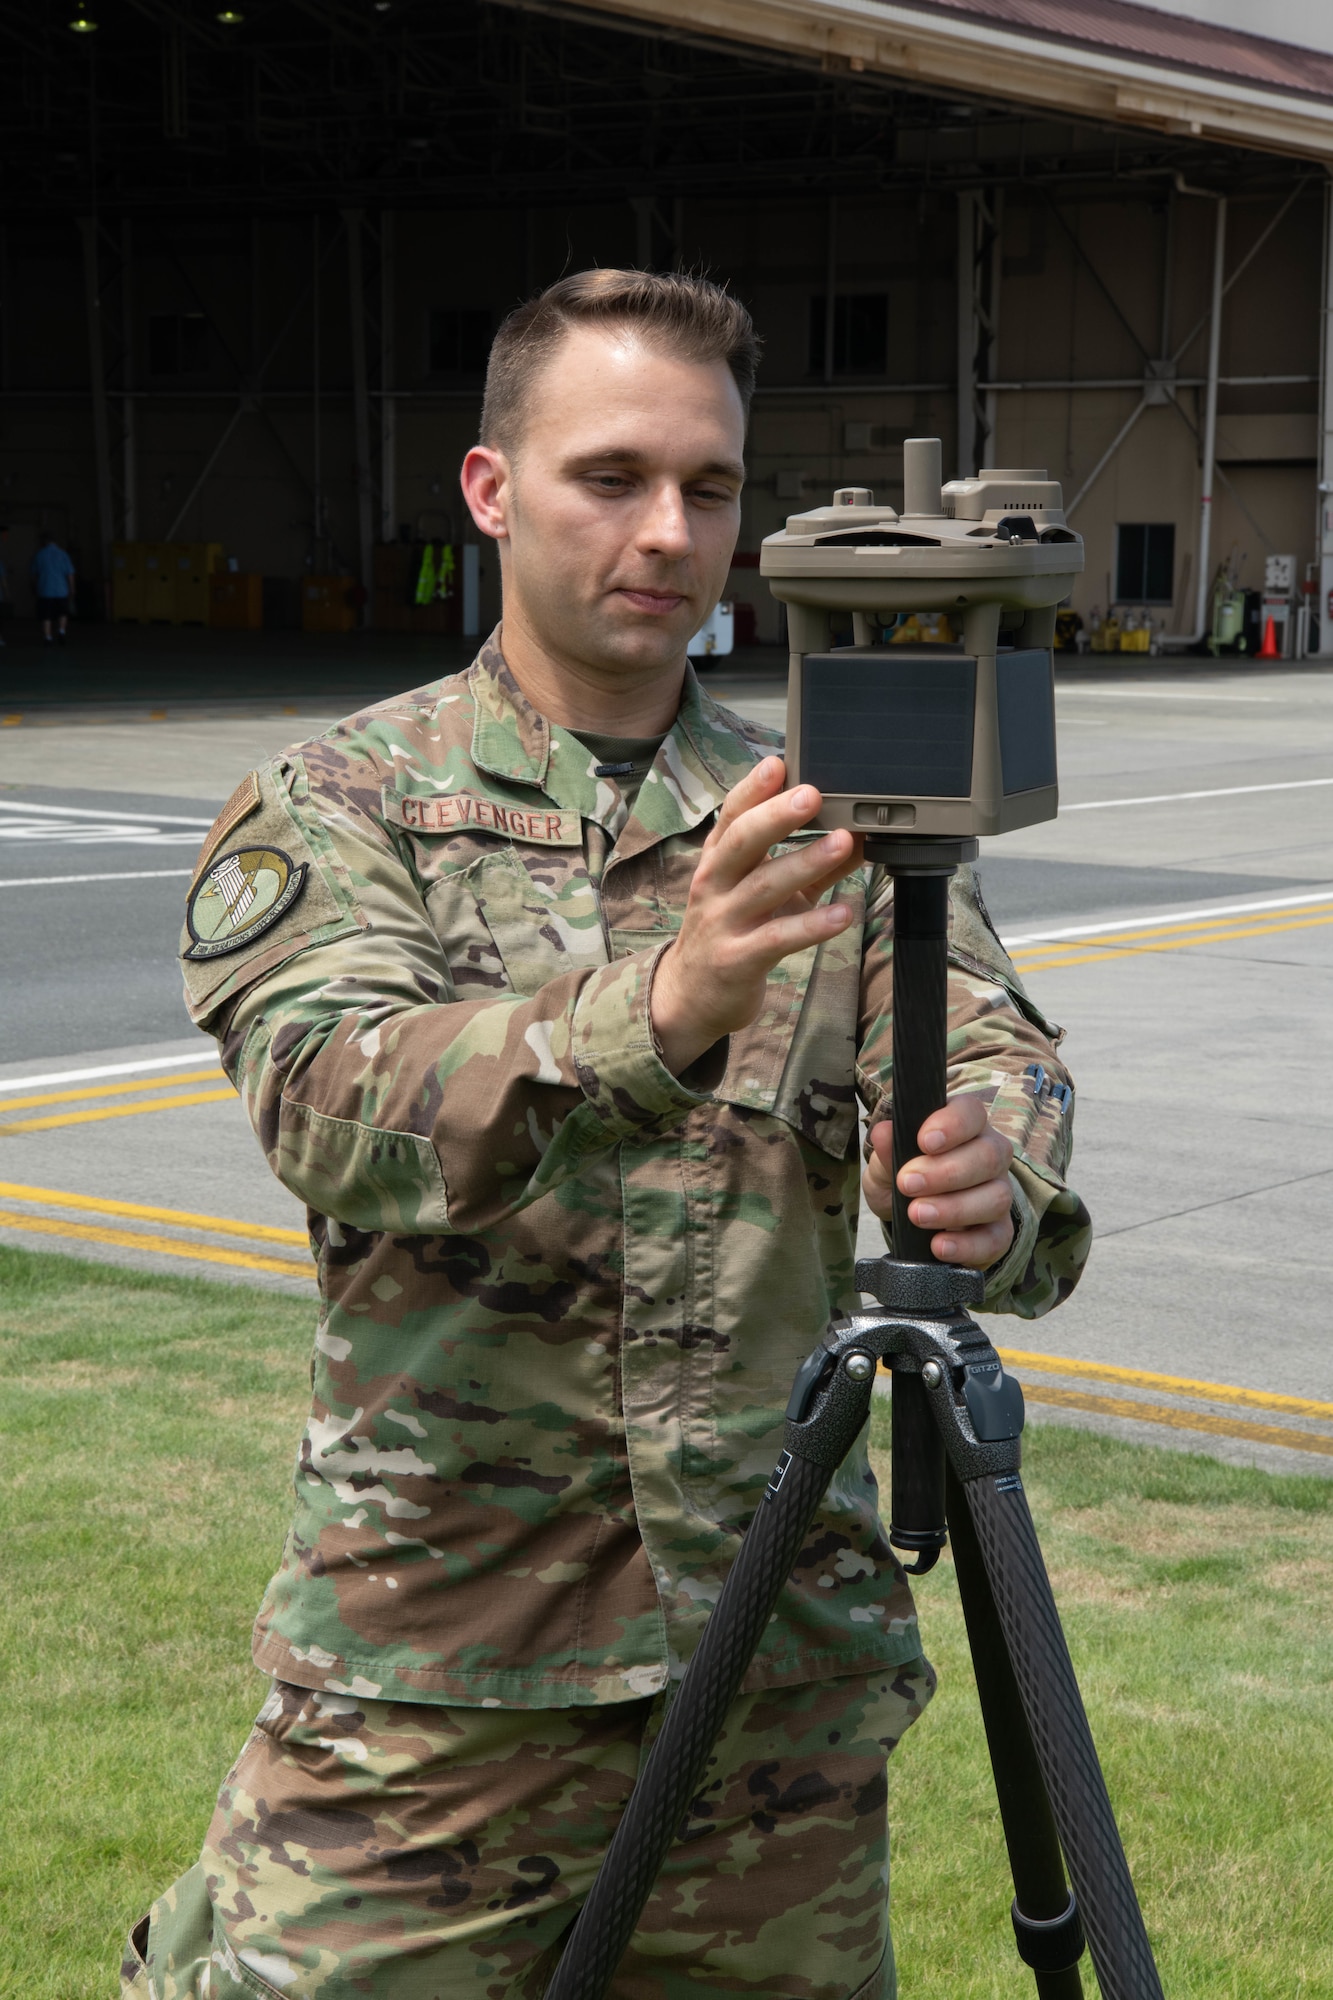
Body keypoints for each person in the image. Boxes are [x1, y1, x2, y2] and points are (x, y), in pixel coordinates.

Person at [124, 271, 1089, 2000]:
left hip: (772, 1698)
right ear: (493, 491)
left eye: (708, 488)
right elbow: (333, 1096)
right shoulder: (342, 801)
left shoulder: (822, 818)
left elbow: (1002, 1057)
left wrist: (985, 1176)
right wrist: (658, 1004)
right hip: (434, 1688)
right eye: (610, 478)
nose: (667, 532)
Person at [31, 529, 76, 644]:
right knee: (63, 613)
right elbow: (70, 574)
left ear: (44, 541)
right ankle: (61, 631)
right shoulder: (63, 554)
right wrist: (72, 588)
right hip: (61, 590)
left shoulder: (39, 555)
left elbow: (34, 574)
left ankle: (48, 637)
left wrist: (34, 587)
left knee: (46, 615)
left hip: (45, 589)